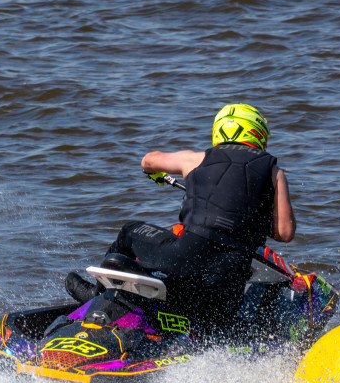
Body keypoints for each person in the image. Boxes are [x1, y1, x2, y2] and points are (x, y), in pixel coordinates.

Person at [105, 103, 296, 336]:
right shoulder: (274, 172)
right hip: (227, 283)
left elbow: (148, 160)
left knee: (128, 231)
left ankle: (102, 300)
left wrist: (154, 173)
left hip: (185, 260)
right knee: (212, 315)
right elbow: (284, 233)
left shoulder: (196, 159)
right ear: (258, 135)